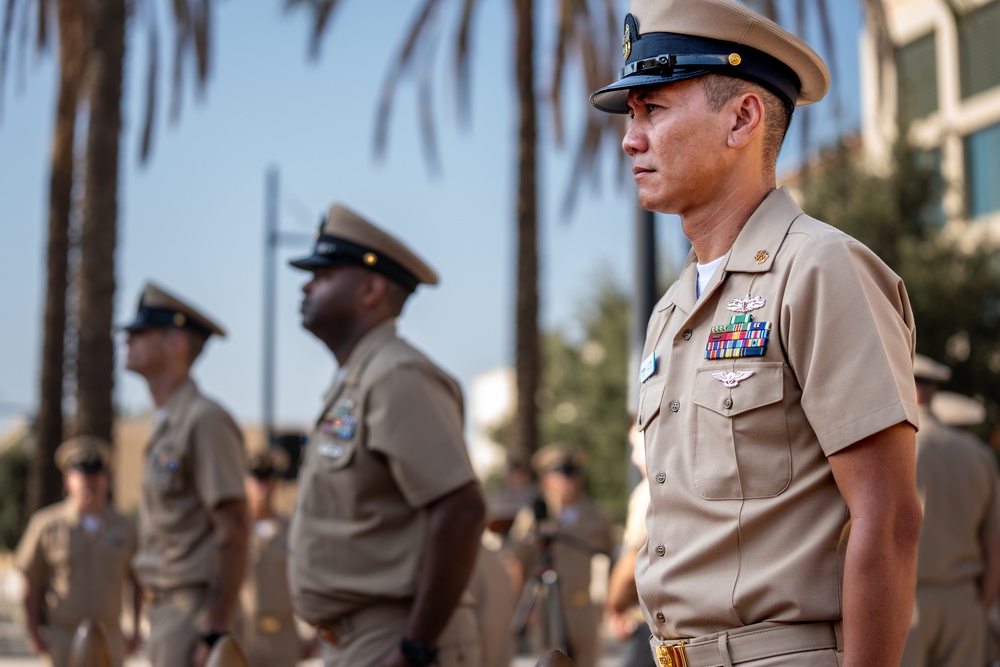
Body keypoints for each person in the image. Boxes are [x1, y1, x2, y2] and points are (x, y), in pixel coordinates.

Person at [589, 1, 923, 665]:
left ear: (743, 118)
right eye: (631, 116)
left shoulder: (820, 268)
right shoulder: (669, 312)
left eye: (653, 108)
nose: (631, 138)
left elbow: (886, 521)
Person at [286, 203, 487, 667]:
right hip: (358, 641)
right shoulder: (359, 380)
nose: (306, 284)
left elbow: (461, 508)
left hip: (394, 638)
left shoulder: (397, 375)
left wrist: (417, 645)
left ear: (372, 288)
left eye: (324, 273)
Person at [123, 281, 249, 667]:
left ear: (174, 344)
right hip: (167, 611)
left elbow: (234, 525)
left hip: (193, 613)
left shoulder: (204, 420)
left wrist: (216, 627)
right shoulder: (166, 425)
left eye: (139, 333)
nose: (127, 340)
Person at [900, 356, 1000, 667]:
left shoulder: (896, 446)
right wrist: (978, 607)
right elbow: (994, 546)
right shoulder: (980, 455)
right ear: (932, 391)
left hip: (905, 601)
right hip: (963, 602)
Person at [15, 436, 141, 667]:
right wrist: (33, 630)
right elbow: (30, 581)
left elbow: (138, 580)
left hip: (110, 635)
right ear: (68, 480)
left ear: (106, 480)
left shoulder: (125, 526)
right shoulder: (46, 524)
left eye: (96, 474)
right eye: (82, 474)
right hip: (63, 636)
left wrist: (135, 630)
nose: (89, 482)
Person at [506, 443, 615, 667]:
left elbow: (613, 557)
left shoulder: (596, 514)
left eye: (572, 473)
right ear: (546, 479)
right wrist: (521, 606)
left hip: (584, 608)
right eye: (560, 473)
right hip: (546, 609)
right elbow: (515, 563)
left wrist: (611, 604)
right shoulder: (533, 517)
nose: (568, 480)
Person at [236, 448, 314, 667]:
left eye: (268, 479)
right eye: (256, 480)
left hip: (284, 639)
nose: (263, 488)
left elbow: (307, 583)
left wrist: (311, 633)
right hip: (245, 637)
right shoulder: (236, 532)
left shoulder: (292, 531)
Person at [605, 423, 656, 667]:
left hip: (649, 624)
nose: (635, 458)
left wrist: (613, 607)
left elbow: (630, 564)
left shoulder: (648, 491)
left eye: (637, 447)